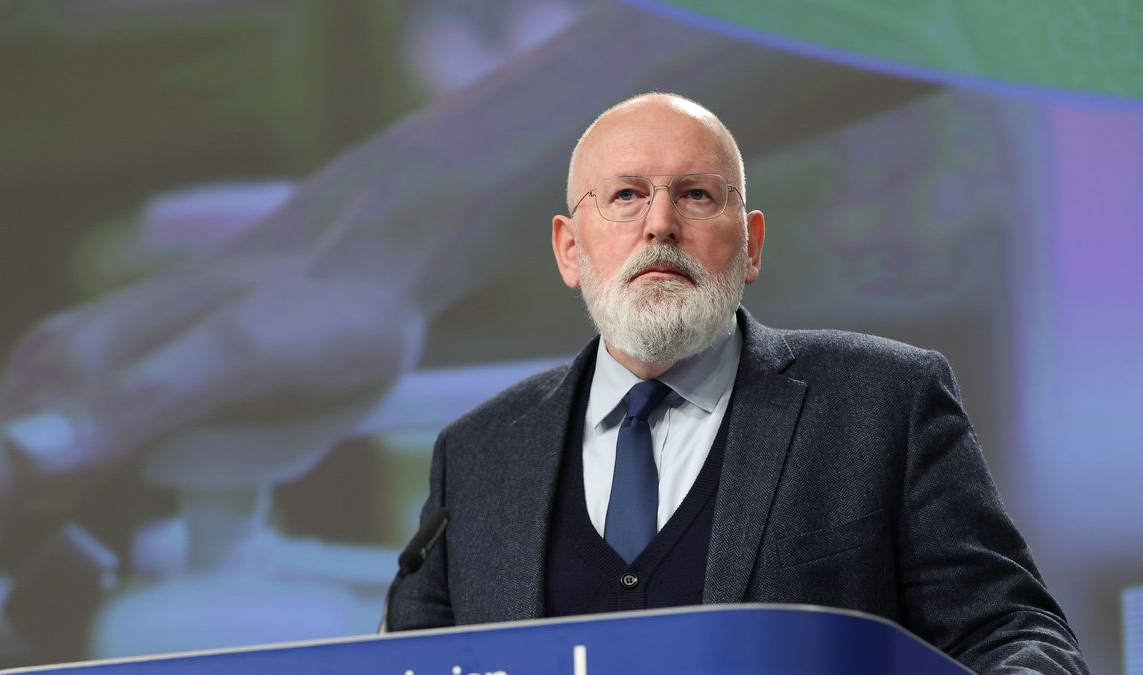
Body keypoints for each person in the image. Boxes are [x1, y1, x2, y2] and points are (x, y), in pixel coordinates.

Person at [387, 92, 1088, 674]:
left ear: (750, 243)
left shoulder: (888, 402)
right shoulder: (474, 456)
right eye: (627, 195)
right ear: (570, 249)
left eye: (694, 195)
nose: (660, 224)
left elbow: (1016, 635)